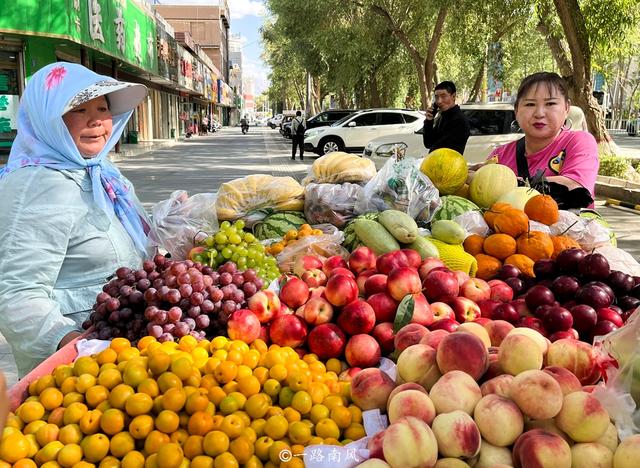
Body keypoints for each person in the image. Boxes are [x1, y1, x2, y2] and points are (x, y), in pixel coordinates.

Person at [0, 62, 150, 377]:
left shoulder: (100, 171)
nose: (96, 121)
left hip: (121, 351)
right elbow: (16, 290)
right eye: (79, 110)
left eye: (102, 107)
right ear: (48, 119)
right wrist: (75, 345)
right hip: (77, 370)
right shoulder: (36, 186)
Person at [487, 72, 598, 208]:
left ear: (566, 108)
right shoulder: (500, 155)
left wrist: (497, 183)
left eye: (550, 103)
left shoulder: (580, 142)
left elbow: (576, 189)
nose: (539, 113)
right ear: (516, 110)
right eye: (529, 104)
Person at [423, 81, 470, 155]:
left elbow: (440, 148)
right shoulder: (442, 116)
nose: (439, 101)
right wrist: (429, 121)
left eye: (443, 96)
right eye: (436, 97)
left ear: (453, 96)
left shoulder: (459, 120)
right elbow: (428, 143)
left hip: (450, 164)